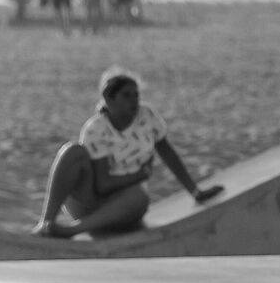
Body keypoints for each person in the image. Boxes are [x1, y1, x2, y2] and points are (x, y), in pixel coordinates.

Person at [34, 68, 223, 238]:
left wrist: (195, 192)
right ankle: (45, 223)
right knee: (72, 151)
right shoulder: (96, 128)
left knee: (139, 197)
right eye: (126, 95)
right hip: (90, 202)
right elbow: (103, 185)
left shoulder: (146, 116)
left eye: (136, 95)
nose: (134, 101)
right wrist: (140, 175)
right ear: (109, 100)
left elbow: (168, 153)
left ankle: (71, 230)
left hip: (124, 207)